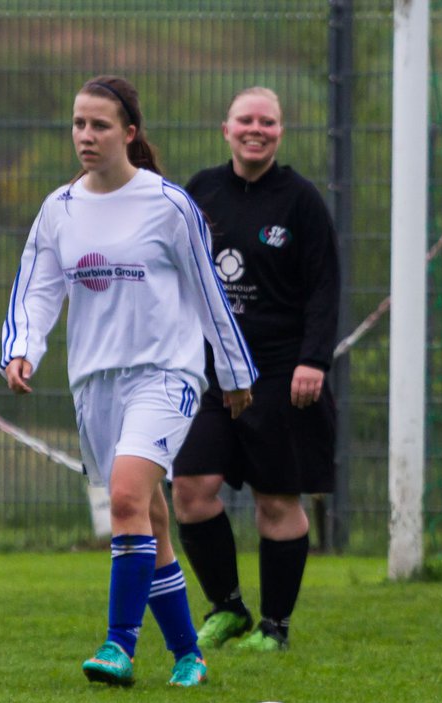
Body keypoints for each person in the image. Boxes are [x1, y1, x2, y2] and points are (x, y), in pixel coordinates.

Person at [0, 75, 258, 688]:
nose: (85, 136)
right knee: (148, 517)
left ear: (130, 133)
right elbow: (36, 289)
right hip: (96, 382)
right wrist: (21, 350)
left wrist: (233, 370)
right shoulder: (59, 209)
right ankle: (188, 653)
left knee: (123, 499)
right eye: (78, 124)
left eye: (100, 126)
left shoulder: (168, 205)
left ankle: (119, 646)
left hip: (166, 373)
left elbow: (206, 292)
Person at [171, 87, 341, 653]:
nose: (256, 129)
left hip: (278, 373)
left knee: (277, 500)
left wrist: (313, 359)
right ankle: (228, 608)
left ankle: (275, 625)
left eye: (268, 121)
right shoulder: (200, 191)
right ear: (226, 128)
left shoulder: (301, 201)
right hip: (210, 372)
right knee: (191, 489)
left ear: (280, 132)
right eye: (246, 119)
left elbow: (323, 287)